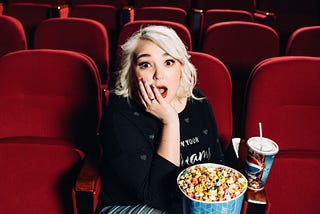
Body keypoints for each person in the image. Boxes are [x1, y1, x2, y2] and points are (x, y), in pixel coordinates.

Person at [98, 25, 225, 214]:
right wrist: (171, 121)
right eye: (145, 64)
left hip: (186, 206)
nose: (158, 75)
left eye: (168, 62)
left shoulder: (198, 100)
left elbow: (216, 163)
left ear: (181, 68)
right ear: (132, 74)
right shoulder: (119, 115)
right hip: (130, 206)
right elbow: (157, 196)